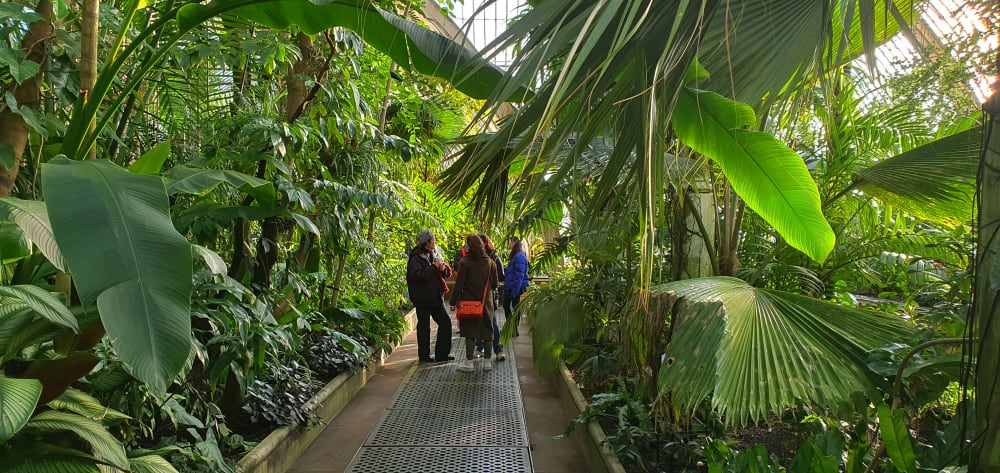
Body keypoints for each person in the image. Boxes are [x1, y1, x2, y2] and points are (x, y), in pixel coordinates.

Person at [449, 234, 499, 372]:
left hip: (469, 303)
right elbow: (495, 284)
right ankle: (487, 362)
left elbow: (459, 284)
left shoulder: (465, 263)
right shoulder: (490, 263)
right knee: (488, 332)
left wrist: (453, 302)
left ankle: (469, 363)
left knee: (470, 333)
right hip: (486, 303)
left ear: (469, 246)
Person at [405, 230, 454, 363]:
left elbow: (436, 274)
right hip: (423, 299)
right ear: (426, 243)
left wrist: (442, 269)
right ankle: (424, 356)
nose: (434, 242)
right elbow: (417, 276)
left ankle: (442, 354)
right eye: (432, 240)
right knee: (424, 328)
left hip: (436, 297)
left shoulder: (432, 254)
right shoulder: (416, 257)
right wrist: (433, 267)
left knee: (445, 323)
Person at [475, 233, 507, 361]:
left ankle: (498, 350)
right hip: (477, 296)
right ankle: (479, 347)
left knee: (492, 323)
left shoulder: (494, 258)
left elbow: (501, 277)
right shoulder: (475, 258)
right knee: (478, 322)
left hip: (490, 297)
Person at [503, 236, 530, 336]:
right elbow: (513, 271)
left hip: (515, 287)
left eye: (509, 242)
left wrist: (516, 290)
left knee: (515, 307)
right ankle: (511, 327)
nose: (508, 244)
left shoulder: (519, 256)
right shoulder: (515, 255)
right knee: (506, 305)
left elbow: (520, 275)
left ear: (514, 242)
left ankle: (514, 329)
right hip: (510, 285)